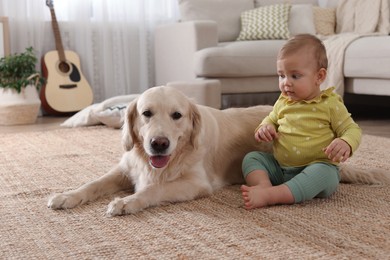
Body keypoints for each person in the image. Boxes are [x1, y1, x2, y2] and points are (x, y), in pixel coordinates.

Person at [241, 34, 362, 209]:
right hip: (281, 169)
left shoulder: (329, 104)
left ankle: (274, 195)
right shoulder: (282, 101)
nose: (286, 83)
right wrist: (265, 127)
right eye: (281, 76)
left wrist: (346, 142)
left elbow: (352, 129)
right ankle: (264, 186)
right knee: (252, 158)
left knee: (325, 173)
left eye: (295, 76)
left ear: (319, 77)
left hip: (316, 168)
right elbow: (271, 119)